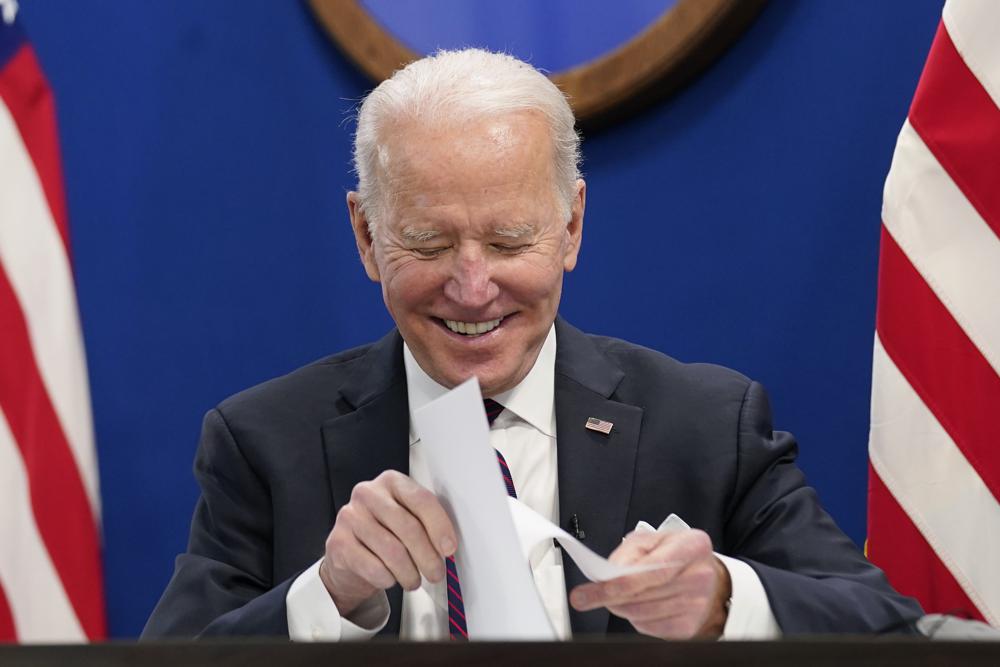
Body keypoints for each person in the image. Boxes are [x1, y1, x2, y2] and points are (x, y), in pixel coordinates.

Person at [143, 48, 922, 641]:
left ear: (571, 226)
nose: (474, 287)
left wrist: (723, 596)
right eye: (427, 241)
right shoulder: (261, 440)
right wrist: (328, 593)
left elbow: (886, 624)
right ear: (366, 236)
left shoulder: (709, 425)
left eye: (511, 239)